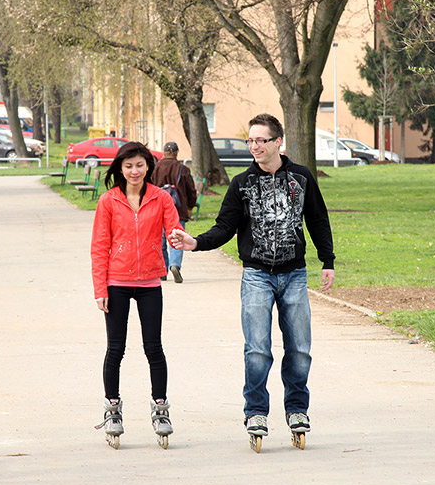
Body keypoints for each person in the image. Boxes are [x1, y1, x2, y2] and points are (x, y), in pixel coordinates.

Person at [169, 114, 334, 449]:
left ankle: (297, 409)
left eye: (260, 140)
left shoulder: (301, 178)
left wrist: (326, 261)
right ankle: (256, 411)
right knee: (258, 349)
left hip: (294, 274)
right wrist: (196, 242)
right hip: (256, 275)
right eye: (251, 141)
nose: (254, 147)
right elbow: (225, 226)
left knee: (299, 348)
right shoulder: (242, 183)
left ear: (277, 142)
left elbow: (318, 219)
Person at [91, 141, 182, 448]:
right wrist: (99, 288)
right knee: (115, 349)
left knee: (153, 348)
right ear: (119, 168)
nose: (134, 171)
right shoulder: (108, 201)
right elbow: (99, 246)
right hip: (116, 282)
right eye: (128, 166)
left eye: (140, 165)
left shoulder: (161, 198)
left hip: (149, 284)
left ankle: (160, 409)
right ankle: (113, 410)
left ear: (148, 167)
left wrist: (177, 236)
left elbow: (173, 227)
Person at [153, 141, 198, 283]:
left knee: (160, 240)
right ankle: (175, 265)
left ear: (164, 152)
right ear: (177, 152)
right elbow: (191, 190)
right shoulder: (182, 169)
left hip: (158, 209)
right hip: (178, 210)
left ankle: (162, 270)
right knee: (177, 239)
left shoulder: (155, 168)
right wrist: (190, 206)